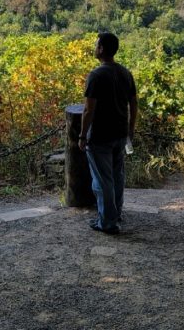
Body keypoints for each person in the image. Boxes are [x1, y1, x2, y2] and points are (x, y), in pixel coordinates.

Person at [78, 32, 138, 234]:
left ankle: (108, 222)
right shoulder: (125, 73)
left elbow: (88, 109)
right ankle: (115, 213)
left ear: (101, 48)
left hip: (100, 136)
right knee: (116, 176)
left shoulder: (96, 75)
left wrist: (82, 135)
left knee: (102, 180)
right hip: (120, 133)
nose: (95, 48)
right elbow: (133, 103)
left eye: (96, 45)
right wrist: (130, 129)